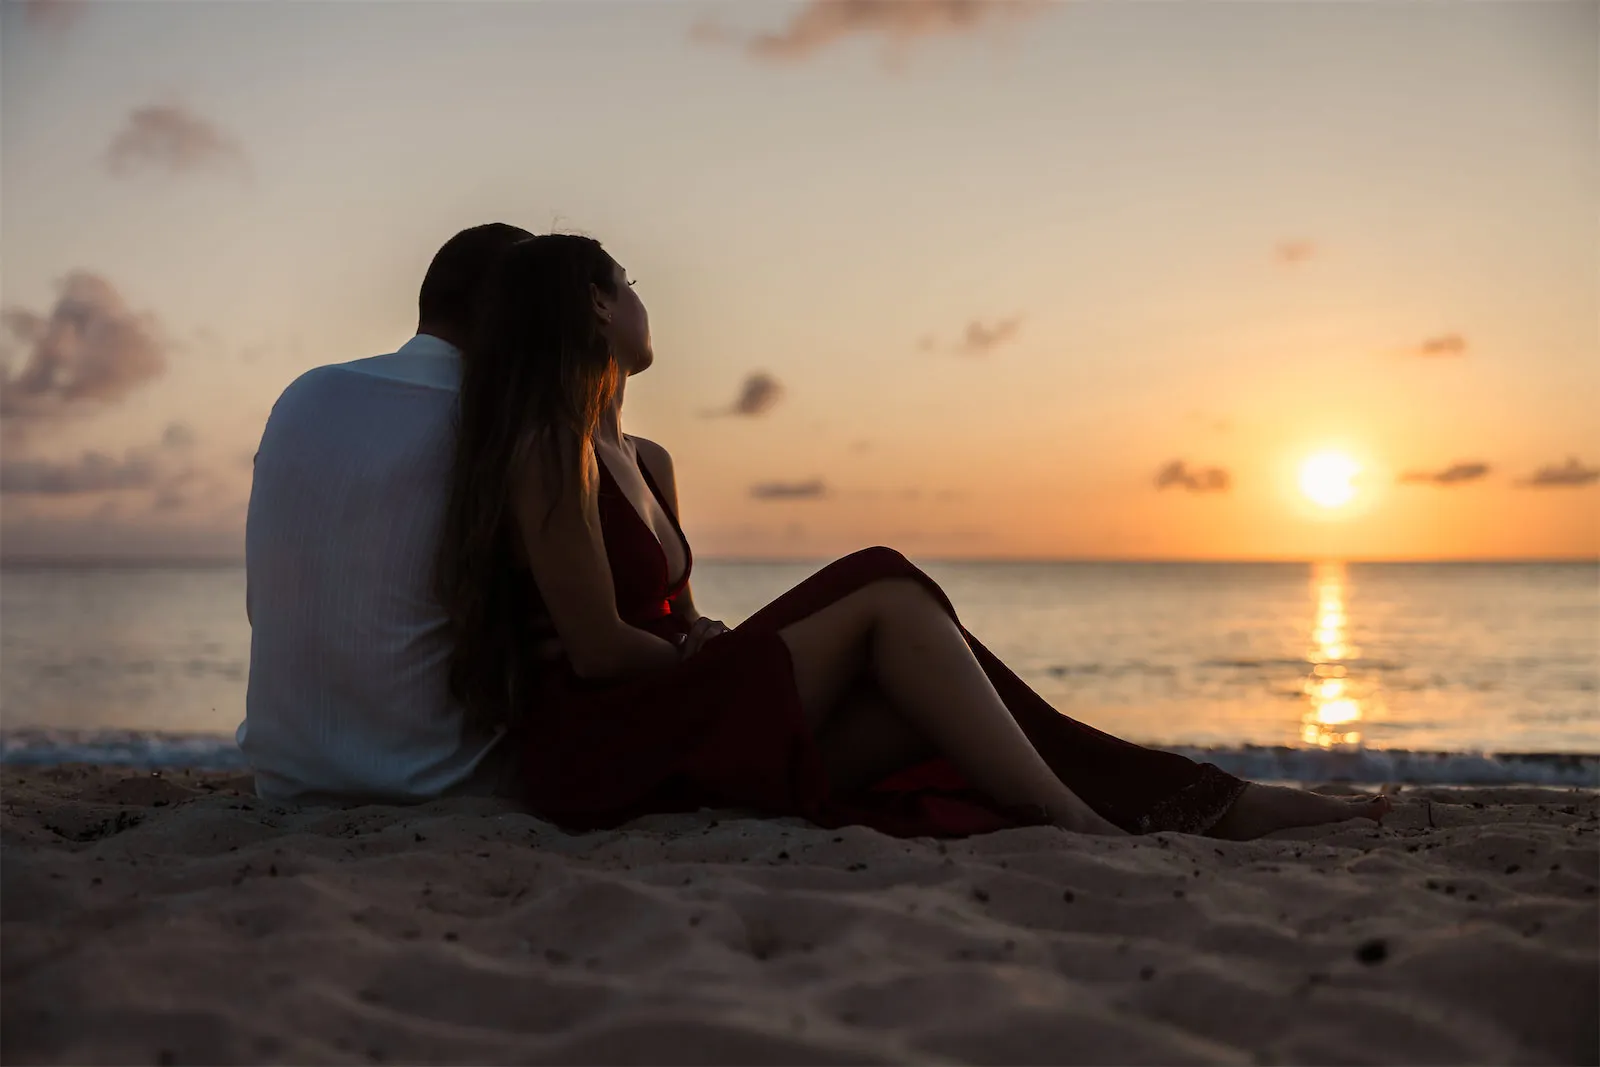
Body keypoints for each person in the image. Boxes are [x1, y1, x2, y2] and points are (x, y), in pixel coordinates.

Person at [435, 233, 1393, 839]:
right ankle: (1091, 820)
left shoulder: (646, 456)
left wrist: (702, 635)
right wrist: (697, 648)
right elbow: (601, 650)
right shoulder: (548, 449)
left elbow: (677, 615)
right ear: (598, 305)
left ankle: (1193, 802)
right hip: (604, 747)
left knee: (928, 710)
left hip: (677, 708)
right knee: (885, 585)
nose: (647, 301)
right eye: (630, 284)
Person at [238, 223, 533, 804]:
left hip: (285, 778)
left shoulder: (306, 393)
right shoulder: (491, 427)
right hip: (446, 784)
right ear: (515, 317)